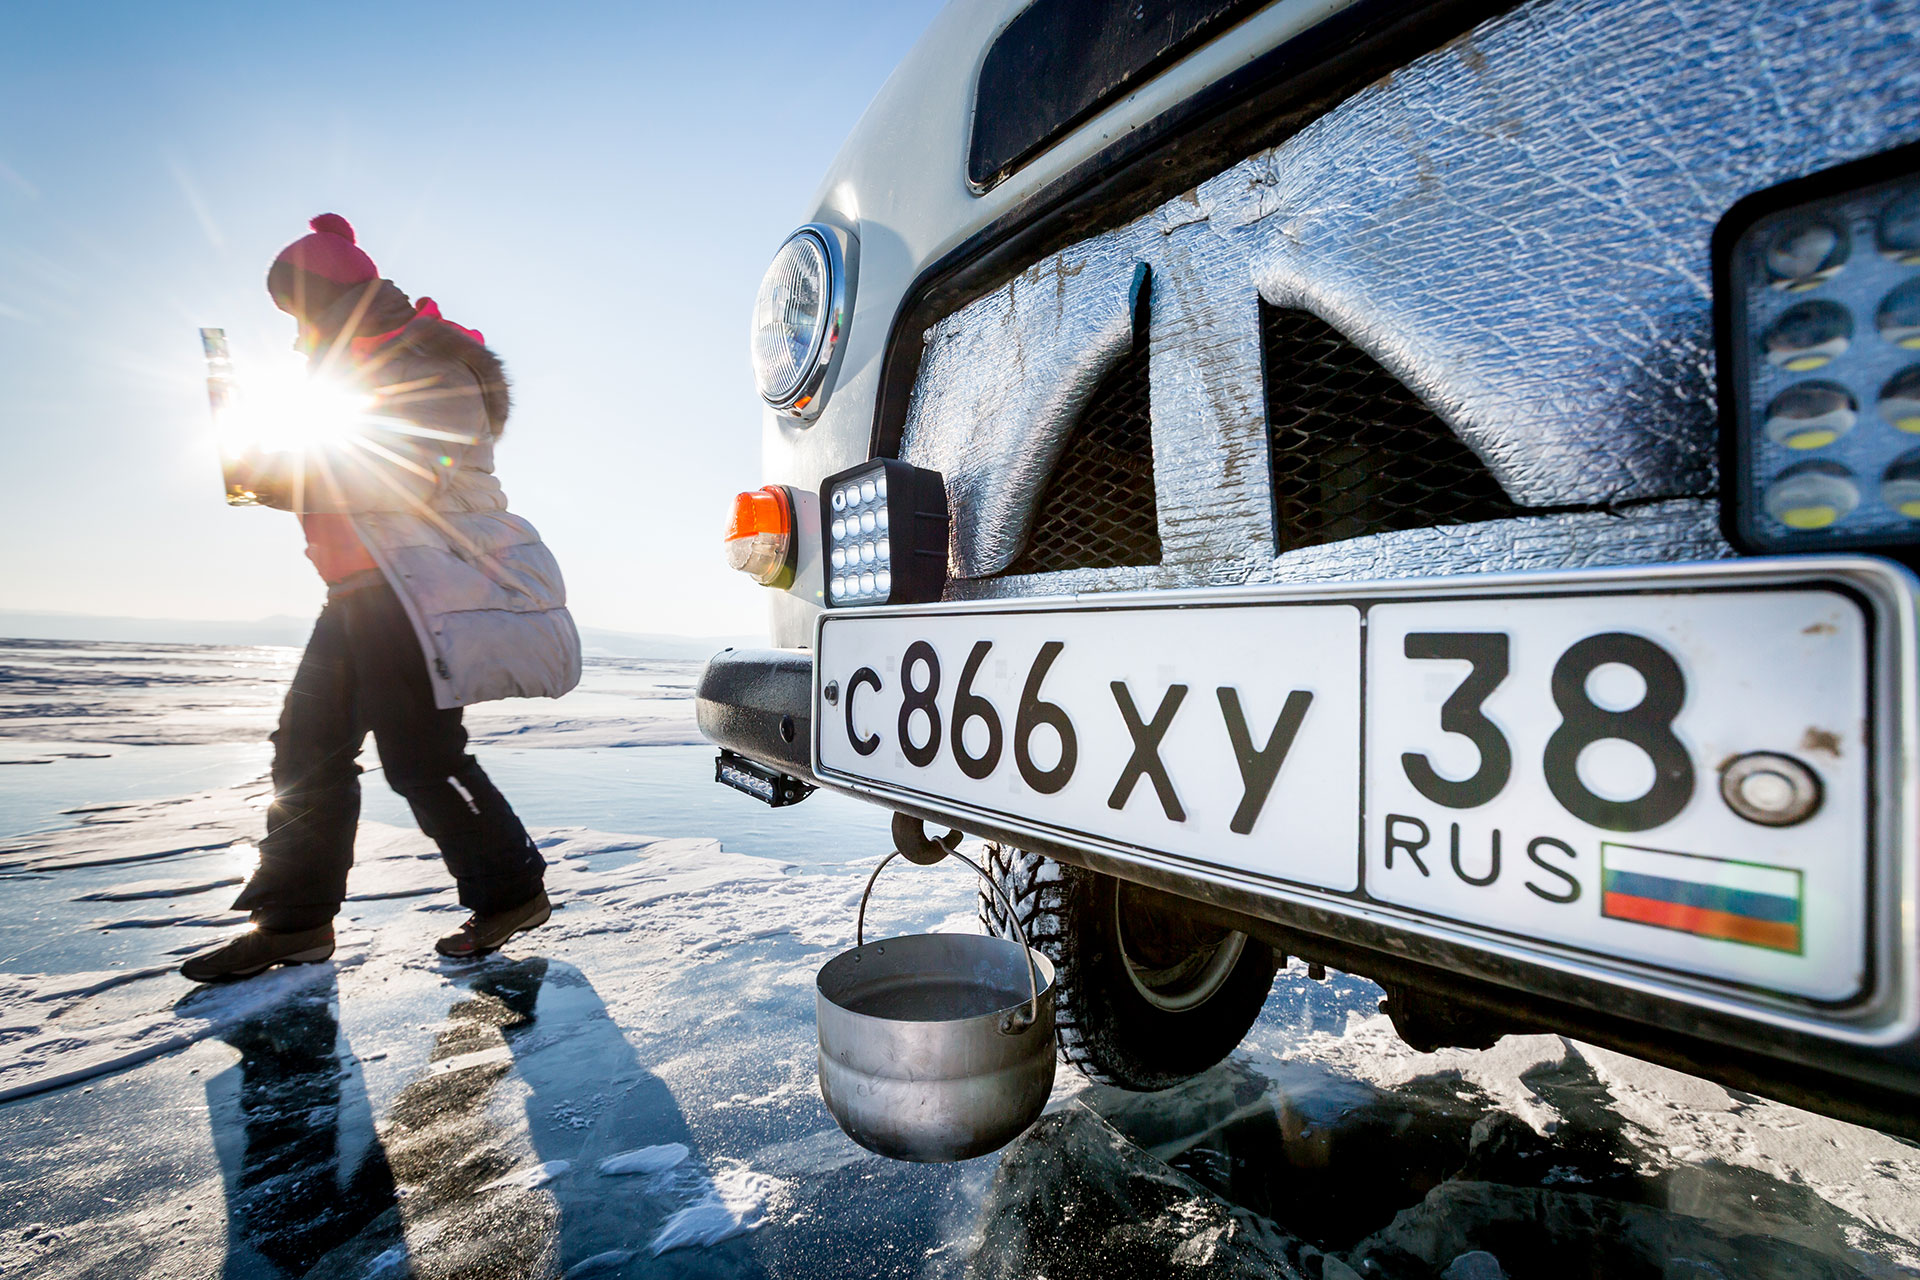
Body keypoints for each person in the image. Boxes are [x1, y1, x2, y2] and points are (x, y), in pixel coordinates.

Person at [181, 214, 580, 982]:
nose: (296, 334)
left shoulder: (429, 363)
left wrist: (271, 473)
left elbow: (397, 471)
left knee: (421, 756)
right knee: (306, 751)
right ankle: (294, 923)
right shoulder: (347, 366)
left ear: (334, 301)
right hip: (358, 590)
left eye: (301, 313)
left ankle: (511, 893)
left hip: (412, 585)